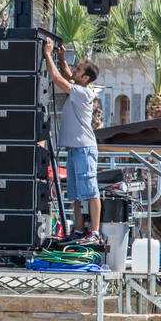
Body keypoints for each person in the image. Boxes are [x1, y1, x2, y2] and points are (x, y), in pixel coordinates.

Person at [43, 38, 101, 243]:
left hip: (84, 148)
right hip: (75, 149)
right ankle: (77, 229)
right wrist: (60, 57)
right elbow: (67, 75)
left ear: (85, 77)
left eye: (78, 69)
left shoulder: (83, 92)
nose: (74, 70)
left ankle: (94, 232)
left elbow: (59, 79)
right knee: (75, 193)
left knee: (91, 190)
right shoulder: (79, 86)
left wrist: (48, 54)